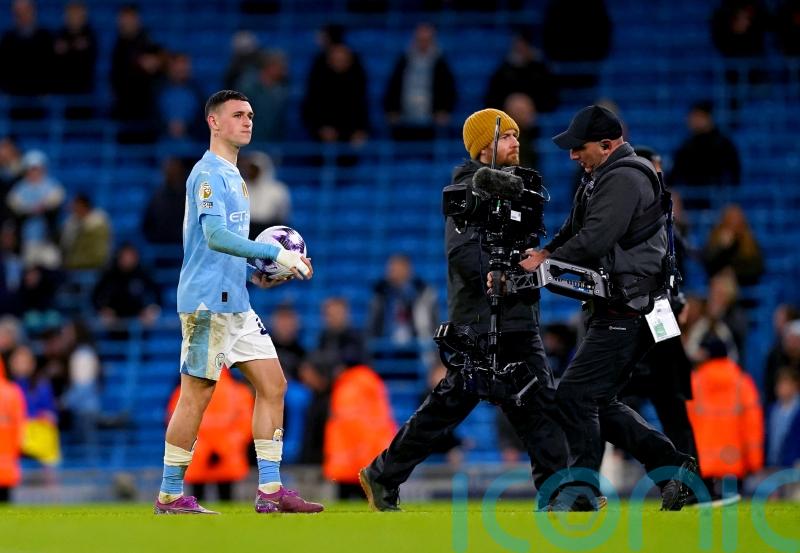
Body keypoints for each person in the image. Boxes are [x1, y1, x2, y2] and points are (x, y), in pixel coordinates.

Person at [359, 108, 570, 512]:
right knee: (472, 406)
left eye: (517, 136)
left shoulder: (520, 192)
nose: (516, 143)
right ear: (483, 147)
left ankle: (559, 491)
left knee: (532, 404)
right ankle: (383, 474)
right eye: (506, 136)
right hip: (480, 320)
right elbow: (463, 255)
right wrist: (502, 273)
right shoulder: (467, 192)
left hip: (517, 317)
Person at [514, 105, 697, 510]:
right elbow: (574, 230)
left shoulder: (625, 178)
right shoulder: (601, 177)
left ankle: (583, 489)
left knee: (574, 394)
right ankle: (673, 469)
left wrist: (548, 259)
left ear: (607, 144)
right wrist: (545, 252)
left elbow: (594, 238)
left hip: (630, 308)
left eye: (579, 147)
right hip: (621, 306)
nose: (572, 155)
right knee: (597, 400)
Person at [154, 90, 321, 515]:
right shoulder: (207, 174)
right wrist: (274, 253)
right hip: (206, 305)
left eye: (250, 114)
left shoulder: (236, 177)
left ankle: (270, 490)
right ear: (213, 122)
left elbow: (222, 249)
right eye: (237, 115)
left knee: (274, 385)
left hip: (237, 302)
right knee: (196, 395)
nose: (247, 121)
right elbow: (214, 237)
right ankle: (170, 494)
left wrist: (258, 275)